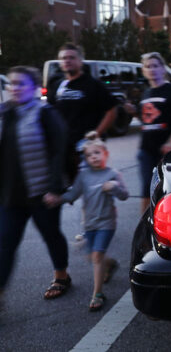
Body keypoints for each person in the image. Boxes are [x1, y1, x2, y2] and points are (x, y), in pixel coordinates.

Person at [0, 66, 70, 302]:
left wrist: (54, 188)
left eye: (21, 83)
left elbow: (59, 151)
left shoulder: (45, 112)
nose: (15, 88)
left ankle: (61, 276)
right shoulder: (5, 114)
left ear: (34, 87)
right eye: (11, 84)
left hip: (42, 192)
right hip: (11, 195)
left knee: (51, 235)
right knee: (5, 242)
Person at [45, 132, 128, 311]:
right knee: (91, 255)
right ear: (86, 158)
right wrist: (57, 199)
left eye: (97, 153)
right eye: (89, 155)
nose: (93, 157)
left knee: (96, 256)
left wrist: (114, 187)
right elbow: (73, 194)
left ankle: (97, 294)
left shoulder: (113, 174)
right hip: (89, 224)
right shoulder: (83, 176)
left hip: (107, 223)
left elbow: (124, 195)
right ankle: (110, 264)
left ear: (105, 153)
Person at [47, 43, 117, 183]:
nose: (67, 61)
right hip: (62, 146)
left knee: (91, 188)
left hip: (85, 148)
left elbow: (112, 110)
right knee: (59, 187)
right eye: (64, 58)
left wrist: (96, 134)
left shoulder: (93, 84)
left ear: (80, 61)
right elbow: (50, 112)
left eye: (72, 57)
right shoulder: (56, 84)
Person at [137, 52, 171, 213]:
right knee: (146, 187)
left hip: (167, 149)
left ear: (163, 69)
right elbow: (147, 120)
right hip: (146, 149)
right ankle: (144, 226)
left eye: (155, 65)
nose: (151, 69)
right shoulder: (145, 93)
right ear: (143, 71)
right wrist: (133, 112)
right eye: (148, 66)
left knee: (168, 189)